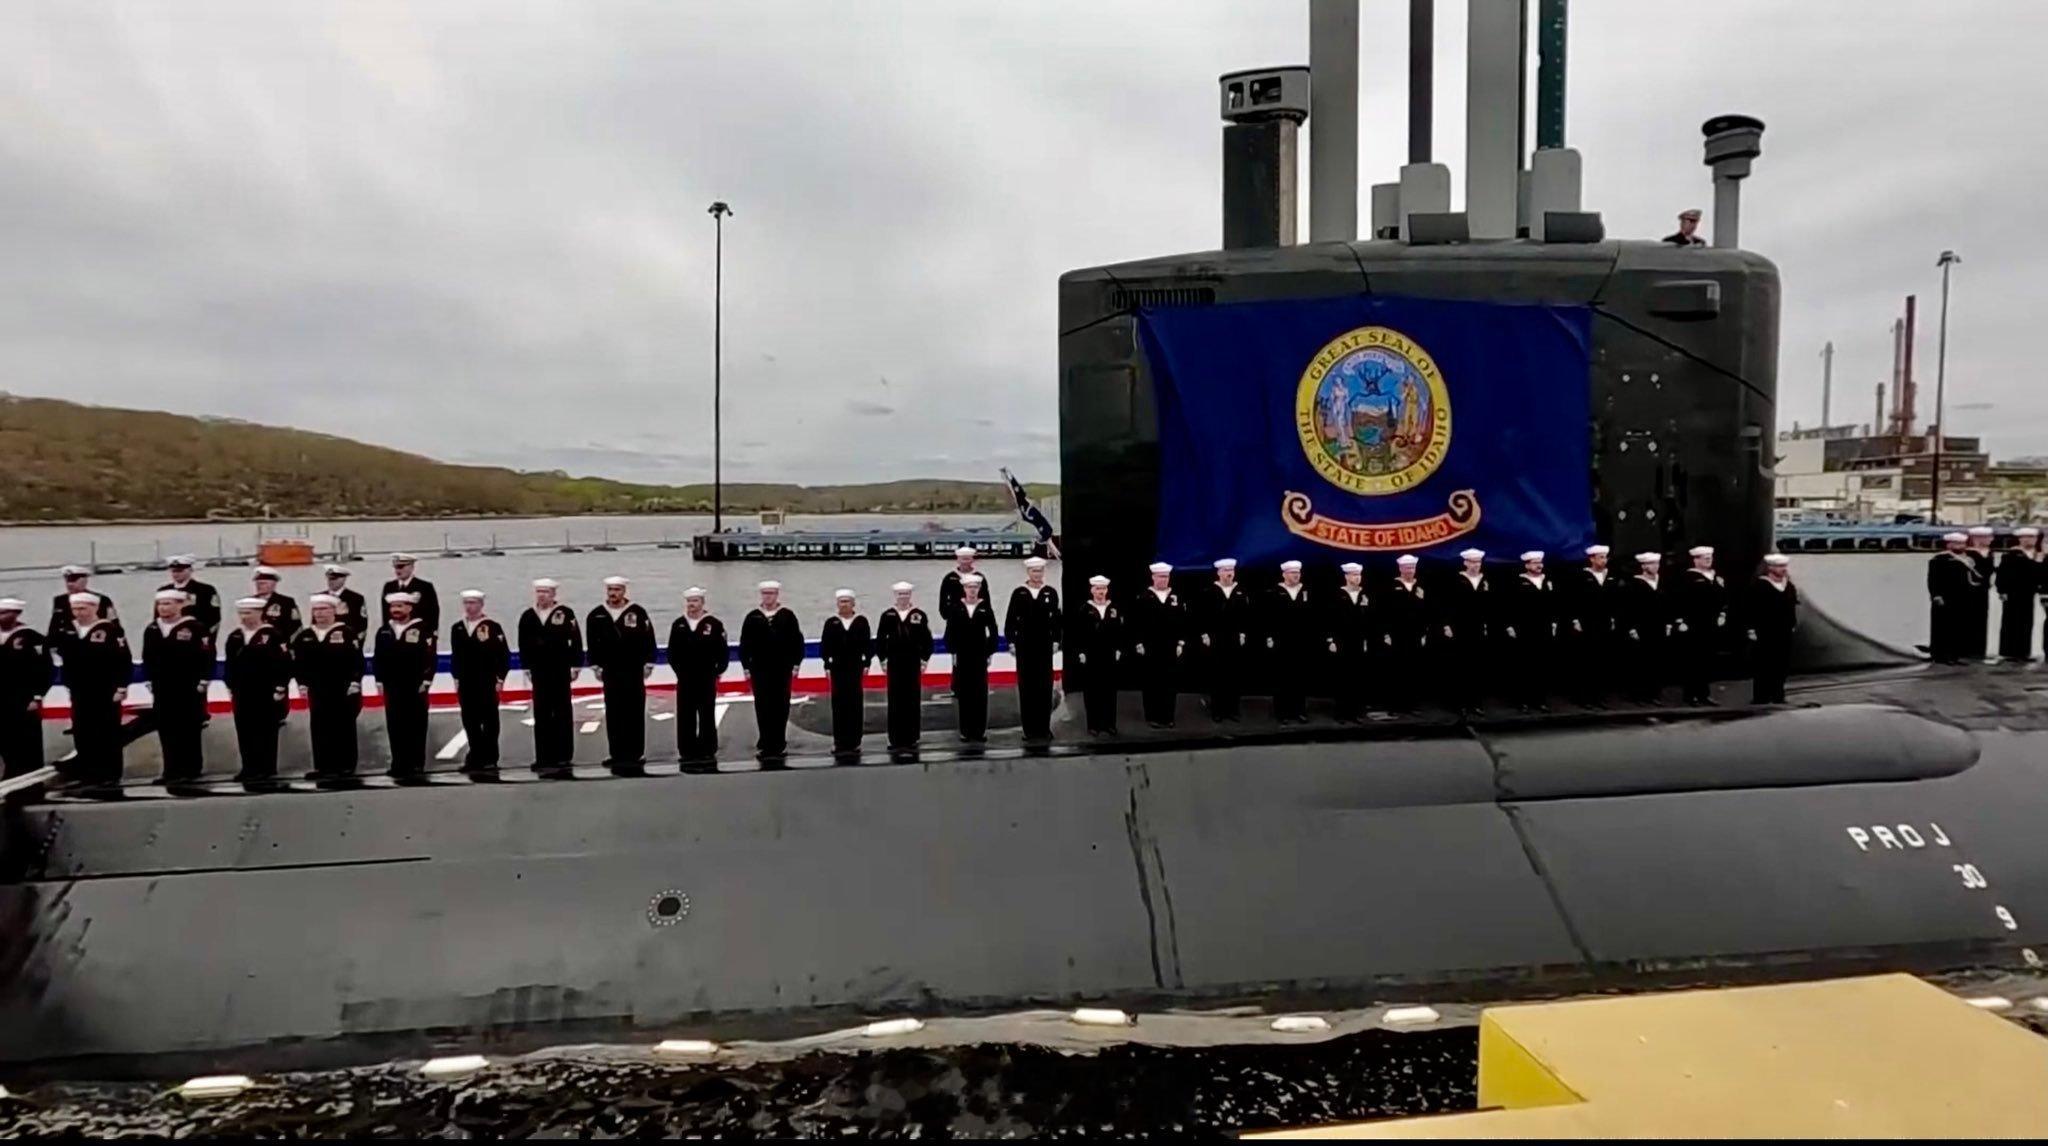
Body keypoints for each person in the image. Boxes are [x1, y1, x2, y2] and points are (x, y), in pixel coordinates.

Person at [55, 592, 130, 791]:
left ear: (95, 608)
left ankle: (110, 774)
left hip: (105, 690)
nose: (78, 612)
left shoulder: (109, 630)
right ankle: (88, 773)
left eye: (83, 608)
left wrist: (122, 686)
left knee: (107, 733)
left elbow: (123, 659)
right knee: (83, 732)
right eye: (75, 609)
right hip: (80, 690)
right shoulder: (69, 631)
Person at [141, 587, 212, 788]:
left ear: (180, 605)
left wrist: (204, 679)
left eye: (168, 604)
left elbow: (207, 654)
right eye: (160, 604)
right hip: (162, 686)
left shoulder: (195, 627)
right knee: (166, 728)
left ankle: (190, 769)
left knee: (188, 727)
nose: (163, 608)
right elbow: (147, 656)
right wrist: (149, 679)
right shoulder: (153, 629)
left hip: (188, 685)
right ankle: (170, 769)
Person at [586, 575, 655, 774]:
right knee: (614, 711)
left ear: (624, 591)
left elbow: (648, 638)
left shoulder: (637, 612)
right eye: (610, 590)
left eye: (617, 590)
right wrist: (595, 664)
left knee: (634, 710)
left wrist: (649, 662)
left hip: (633, 669)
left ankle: (635, 753)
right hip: (610, 670)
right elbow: (592, 641)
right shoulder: (597, 615)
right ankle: (616, 753)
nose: (613, 594)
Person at [293, 594, 363, 782]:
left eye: (324, 609)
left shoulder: (346, 633)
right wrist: (301, 682)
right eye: (316, 610)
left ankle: (346, 765)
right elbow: (299, 662)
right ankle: (323, 765)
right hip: (317, 689)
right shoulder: (306, 636)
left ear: (333, 611)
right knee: (319, 727)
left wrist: (355, 681)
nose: (319, 613)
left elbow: (356, 659)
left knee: (343, 726)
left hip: (342, 688)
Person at [517, 578, 583, 776]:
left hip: (560, 668)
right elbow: (523, 642)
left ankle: (563, 755)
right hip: (539, 670)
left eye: (546, 592)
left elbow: (576, 639)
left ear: (553, 594)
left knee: (562, 711)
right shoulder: (528, 616)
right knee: (542, 713)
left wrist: (576, 664)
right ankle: (543, 756)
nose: (542, 596)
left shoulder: (565, 614)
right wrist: (526, 666)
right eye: (539, 592)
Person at [223, 595, 290, 789]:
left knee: (265, 729)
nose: (244, 617)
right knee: (244, 730)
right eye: (242, 613)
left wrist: (280, 686)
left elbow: (283, 662)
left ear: (260, 613)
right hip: (242, 691)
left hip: (265, 690)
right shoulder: (235, 636)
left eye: (249, 613)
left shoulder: (272, 635)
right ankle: (249, 767)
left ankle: (266, 767)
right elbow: (230, 663)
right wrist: (230, 684)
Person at [740, 581, 805, 759]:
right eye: (765, 594)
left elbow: (797, 641)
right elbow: (745, 643)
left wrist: (796, 663)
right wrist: (746, 666)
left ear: (777, 595)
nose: (768, 597)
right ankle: (765, 742)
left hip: (782, 668)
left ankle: (779, 742)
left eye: (771, 593)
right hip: (759, 669)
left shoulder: (787, 616)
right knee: (763, 706)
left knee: (780, 705)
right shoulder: (753, 617)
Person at [374, 591, 435, 783]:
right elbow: (378, 657)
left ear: (409, 607)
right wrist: (379, 680)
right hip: (392, 685)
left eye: (400, 606)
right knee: (395, 724)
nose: (396, 610)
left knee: (416, 724)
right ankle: (399, 763)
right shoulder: (384, 631)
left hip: (415, 685)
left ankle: (416, 763)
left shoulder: (423, 629)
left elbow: (430, 655)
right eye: (393, 606)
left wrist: (427, 679)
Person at [449, 589, 508, 777]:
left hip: (486, 680)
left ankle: (490, 757)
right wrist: (456, 677)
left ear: (481, 605)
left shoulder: (492, 627)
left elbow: (502, 654)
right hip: (466, 681)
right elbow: (456, 655)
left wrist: (500, 677)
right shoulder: (458, 628)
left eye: (473, 603)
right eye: (466, 603)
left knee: (489, 720)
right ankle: (475, 755)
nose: (469, 607)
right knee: (470, 720)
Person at [666, 587, 729, 764]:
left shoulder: (714, 624)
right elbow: (672, 652)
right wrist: (679, 671)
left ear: (702, 602)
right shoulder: (679, 624)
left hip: (706, 677)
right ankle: (686, 749)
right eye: (689, 601)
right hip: (685, 678)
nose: (691, 604)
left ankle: (707, 749)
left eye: (695, 601)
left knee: (706, 713)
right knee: (685, 714)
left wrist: (718, 671)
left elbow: (722, 651)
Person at [1004, 557, 1061, 741]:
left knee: (1044, 687)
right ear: (1028, 572)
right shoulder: (1019, 593)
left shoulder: (1050, 592)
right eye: (1034, 571)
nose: (1037, 574)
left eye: (1040, 571)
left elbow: (1057, 620)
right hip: (1024, 646)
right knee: (1027, 687)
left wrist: (1056, 640)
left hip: (1044, 646)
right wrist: (1011, 641)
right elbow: (1010, 619)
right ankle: (1029, 730)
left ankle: (1044, 728)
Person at [876, 581, 933, 750]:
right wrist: (882, 659)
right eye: (900, 594)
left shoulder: (919, 615)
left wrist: (924, 659)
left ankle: (912, 736)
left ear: (910, 595)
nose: (903, 597)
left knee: (912, 699)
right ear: (895, 596)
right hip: (894, 662)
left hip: (913, 662)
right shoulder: (887, 615)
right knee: (895, 700)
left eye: (906, 594)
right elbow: (881, 639)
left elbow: (926, 639)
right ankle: (895, 737)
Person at [0, 598, 52, 780]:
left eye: (4, 613)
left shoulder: (31, 637)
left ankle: (30, 778)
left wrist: (37, 695)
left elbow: (44, 668)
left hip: (24, 698)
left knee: (27, 741)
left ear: (16, 614)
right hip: (1, 699)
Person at [945, 574, 1000, 743]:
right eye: (969, 587)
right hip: (963, 655)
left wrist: (989, 652)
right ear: (964, 589)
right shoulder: (956, 608)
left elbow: (993, 631)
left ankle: (979, 731)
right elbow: (950, 632)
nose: (972, 590)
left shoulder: (985, 608)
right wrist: (953, 652)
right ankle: (966, 731)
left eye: (975, 587)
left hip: (979, 655)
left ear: (979, 589)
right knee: (965, 694)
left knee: (980, 693)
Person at [1439, 548, 1493, 716]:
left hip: (1479, 628)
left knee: (1477, 667)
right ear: (1465, 563)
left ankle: (1476, 703)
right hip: (1460, 627)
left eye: (1478, 562)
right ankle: (1460, 704)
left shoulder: (1485, 580)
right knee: (1460, 667)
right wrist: (1446, 625)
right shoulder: (1456, 580)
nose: (1476, 565)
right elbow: (1446, 604)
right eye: (1473, 562)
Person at [1130, 562, 1185, 728]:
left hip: (1170, 645)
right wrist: (1138, 642)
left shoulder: (1175, 597)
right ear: (1153, 577)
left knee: (1169, 682)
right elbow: (1136, 622)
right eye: (1161, 576)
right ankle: (1152, 716)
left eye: (1166, 576)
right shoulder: (1144, 597)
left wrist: (1180, 642)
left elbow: (1183, 621)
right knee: (1152, 682)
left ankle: (1168, 716)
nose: (1164, 579)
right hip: (1151, 645)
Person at [1198, 557, 1253, 722]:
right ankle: (1218, 710)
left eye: (1231, 570)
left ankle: (1233, 710)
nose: (1229, 573)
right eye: (1226, 571)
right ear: (1219, 573)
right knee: (1218, 675)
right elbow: (1201, 615)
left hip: (1234, 638)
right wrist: (1204, 634)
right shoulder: (1209, 591)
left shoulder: (1240, 591)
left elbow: (1247, 615)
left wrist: (1243, 633)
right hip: (1216, 638)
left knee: (1234, 675)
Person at [1566, 545, 1621, 707]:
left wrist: (1613, 618)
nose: (1604, 560)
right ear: (1592, 559)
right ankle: (1584, 697)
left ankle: (1600, 697)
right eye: (1601, 557)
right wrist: (1575, 620)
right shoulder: (1581, 576)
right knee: (1586, 662)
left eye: (1605, 557)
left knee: (1602, 661)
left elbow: (1615, 600)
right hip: (1587, 623)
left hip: (1605, 623)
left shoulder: (1610, 576)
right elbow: (1572, 600)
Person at [820, 589, 872, 754]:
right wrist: (827, 665)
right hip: (838, 668)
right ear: (837, 604)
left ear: (853, 603)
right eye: (841, 602)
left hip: (855, 667)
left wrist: (867, 663)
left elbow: (867, 644)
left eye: (847, 601)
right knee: (839, 704)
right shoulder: (831, 623)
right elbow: (825, 646)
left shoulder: (861, 622)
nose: (844, 605)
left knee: (855, 704)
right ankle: (840, 741)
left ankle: (854, 741)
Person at [1674, 545, 1727, 705]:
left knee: (1707, 660)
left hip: (1711, 624)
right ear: (1696, 560)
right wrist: (1680, 620)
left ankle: (1704, 694)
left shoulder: (1716, 577)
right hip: (1693, 623)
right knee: (1693, 661)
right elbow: (1678, 600)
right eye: (1705, 558)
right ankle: (1691, 695)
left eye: (1710, 557)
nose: (1708, 560)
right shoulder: (1687, 577)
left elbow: (1723, 598)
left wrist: (1723, 614)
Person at [1506, 551, 1558, 712]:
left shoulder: (1547, 580)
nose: (1539, 565)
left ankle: (1540, 700)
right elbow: (1509, 605)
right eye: (1535, 563)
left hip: (1544, 628)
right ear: (1527, 565)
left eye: (1540, 562)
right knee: (1524, 666)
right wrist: (1510, 626)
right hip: (1524, 628)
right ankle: (1523, 701)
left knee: (1541, 666)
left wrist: (1554, 622)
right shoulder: (1518, 582)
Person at [1745, 554, 1800, 704]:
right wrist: (1751, 629)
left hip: (1784, 630)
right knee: (1764, 663)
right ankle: (1761, 696)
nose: (1783, 569)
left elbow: (1792, 606)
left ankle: (1778, 694)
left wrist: (1793, 624)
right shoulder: (1760, 586)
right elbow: (1750, 608)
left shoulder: (1788, 586)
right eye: (1780, 566)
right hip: (1765, 630)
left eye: (1784, 566)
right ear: (1770, 567)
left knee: (1781, 663)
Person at [1072, 575, 1122, 734]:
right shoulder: (1084, 609)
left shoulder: (1113, 608)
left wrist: (1118, 648)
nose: (1101, 592)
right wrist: (1080, 651)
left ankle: (1110, 724)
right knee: (1092, 690)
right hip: (1091, 654)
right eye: (1098, 589)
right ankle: (1094, 725)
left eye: (1103, 589)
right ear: (1092, 590)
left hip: (1109, 653)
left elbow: (1120, 630)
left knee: (1110, 690)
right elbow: (1077, 632)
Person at [1620, 552, 1671, 704]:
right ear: (1643, 566)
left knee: (1657, 661)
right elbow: (1627, 608)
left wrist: (1668, 623)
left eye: (1657, 563)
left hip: (1659, 626)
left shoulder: (1661, 582)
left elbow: (1668, 604)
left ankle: (1654, 693)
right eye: (1652, 564)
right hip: (1642, 627)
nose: (1655, 567)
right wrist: (1631, 627)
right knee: (1641, 662)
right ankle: (1638, 695)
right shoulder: (1634, 584)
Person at [1381, 555, 1427, 715]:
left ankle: (1412, 705)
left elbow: (1426, 611)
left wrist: (1424, 632)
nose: (1410, 571)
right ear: (1400, 568)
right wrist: (1386, 633)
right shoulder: (1391, 586)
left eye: (1412, 568)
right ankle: (1395, 706)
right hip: (1396, 635)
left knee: (1414, 670)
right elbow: (1383, 612)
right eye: (1407, 568)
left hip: (1415, 634)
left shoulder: (1420, 586)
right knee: (1396, 671)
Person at [1329, 562, 1374, 722]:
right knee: (1343, 677)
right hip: (1342, 640)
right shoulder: (1337, 594)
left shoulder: (1364, 594)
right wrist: (1331, 640)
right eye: (1354, 575)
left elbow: (1370, 618)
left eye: (1359, 575)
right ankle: (1341, 712)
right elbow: (1330, 619)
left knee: (1357, 677)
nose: (1357, 577)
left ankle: (1355, 712)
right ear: (1347, 576)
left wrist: (1367, 639)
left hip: (1359, 640)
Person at [1926, 532, 1976, 665]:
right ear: (1949, 544)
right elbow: (1933, 579)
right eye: (1957, 543)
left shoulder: (1967, 559)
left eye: (1962, 544)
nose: (1960, 546)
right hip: (1945, 597)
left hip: (1962, 597)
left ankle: (1956, 654)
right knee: (1943, 627)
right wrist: (1936, 594)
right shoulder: (1939, 559)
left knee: (1959, 627)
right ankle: (1940, 655)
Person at [1996, 527, 2042, 662]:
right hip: (2012, 592)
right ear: (2020, 539)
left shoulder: (2037, 554)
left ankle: (2024, 652)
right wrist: (2002, 590)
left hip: (2029, 592)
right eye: (2025, 537)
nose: (2028, 540)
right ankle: (2008, 652)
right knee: (2010, 621)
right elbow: (2002, 573)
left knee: (2027, 622)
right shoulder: (2011, 554)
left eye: (2031, 537)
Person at [49, 564, 117, 637]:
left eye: (74, 580)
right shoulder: (60, 600)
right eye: (68, 581)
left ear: (84, 581)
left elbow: (114, 623)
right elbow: (54, 626)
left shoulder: (101, 600)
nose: (70, 584)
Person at [161, 555, 221, 636]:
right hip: (169, 636)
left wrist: (206, 636)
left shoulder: (205, 590)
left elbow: (214, 617)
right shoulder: (164, 591)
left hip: (196, 636)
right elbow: (158, 616)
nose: (176, 574)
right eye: (173, 571)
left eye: (180, 571)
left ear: (190, 570)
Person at [381, 553, 441, 634]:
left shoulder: (424, 587)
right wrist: (386, 631)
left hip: (419, 632)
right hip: (394, 632)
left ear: (411, 567)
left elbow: (433, 612)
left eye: (401, 567)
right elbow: (385, 613)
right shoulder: (389, 587)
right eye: (396, 567)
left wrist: (431, 633)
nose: (398, 570)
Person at [1962, 526, 1997, 661]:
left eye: (1990, 537)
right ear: (1977, 538)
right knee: (1968, 619)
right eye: (1987, 537)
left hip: (1983, 590)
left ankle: (1979, 650)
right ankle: (1967, 650)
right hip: (1969, 590)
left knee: (1982, 619)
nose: (1990, 540)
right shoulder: (1968, 553)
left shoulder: (1989, 552)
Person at [250, 566, 301, 640]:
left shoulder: (286, 602)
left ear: (273, 584)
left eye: (262, 583)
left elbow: (296, 626)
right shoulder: (250, 602)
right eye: (257, 584)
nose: (259, 586)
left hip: (279, 643)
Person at [324, 564, 370, 640]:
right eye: (329, 579)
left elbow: (362, 623)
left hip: (347, 640)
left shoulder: (355, 598)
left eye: (334, 579)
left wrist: (356, 641)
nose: (330, 582)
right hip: (325, 641)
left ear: (343, 579)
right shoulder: (321, 597)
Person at [939, 546, 979, 620]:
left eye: (967, 559)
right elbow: (943, 599)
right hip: (955, 617)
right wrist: (947, 615)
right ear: (957, 560)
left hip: (976, 617)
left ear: (972, 560)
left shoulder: (979, 577)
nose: (965, 562)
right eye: (963, 559)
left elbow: (986, 599)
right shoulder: (950, 577)